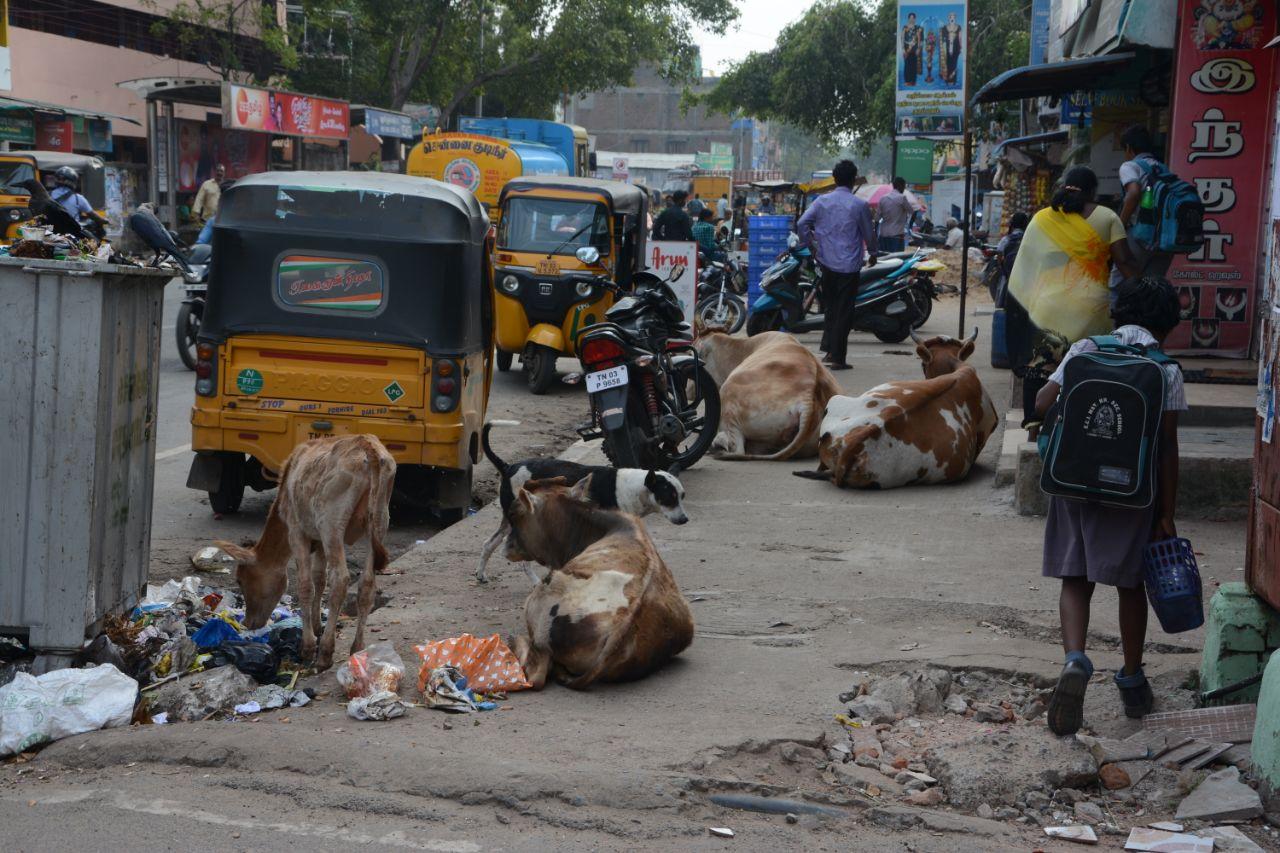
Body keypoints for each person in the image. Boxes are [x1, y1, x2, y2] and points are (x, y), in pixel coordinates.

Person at [1034, 276, 1185, 736]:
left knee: (1075, 577)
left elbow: (1042, 404)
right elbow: (1167, 448)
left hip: (1072, 483)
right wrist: (1165, 513)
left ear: (1118, 313)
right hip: (1132, 493)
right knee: (1129, 585)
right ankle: (1132, 678)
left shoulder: (1083, 350)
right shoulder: (1166, 371)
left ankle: (1075, 658)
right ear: (1168, 325)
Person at [1006, 166, 1138, 424]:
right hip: (1090, 311)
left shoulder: (1042, 218)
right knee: (1087, 367)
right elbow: (1124, 262)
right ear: (1093, 191)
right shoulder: (1108, 217)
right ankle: (1080, 423)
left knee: (1041, 368)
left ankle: (1035, 427)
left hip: (1048, 309)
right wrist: (1145, 287)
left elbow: (1027, 265)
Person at [796, 159, 876, 371]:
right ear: (852, 180)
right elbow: (869, 233)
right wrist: (874, 253)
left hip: (826, 263)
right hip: (849, 266)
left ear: (835, 178)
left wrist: (810, 245)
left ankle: (830, 351)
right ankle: (838, 357)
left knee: (830, 308)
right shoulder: (859, 205)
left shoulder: (822, 202)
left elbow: (802, 223)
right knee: (844, 311)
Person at [1114, 125, 1174, 288]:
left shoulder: (1130, 166)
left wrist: (1119, 226)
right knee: (1151, 289)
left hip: (1141, 236)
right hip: (1165, 239)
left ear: (1128, 148)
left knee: (1116, 285)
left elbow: (1133, 193)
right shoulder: (1163, 168)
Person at [49, 166, 107, 231]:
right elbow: (93, 215)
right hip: (71, 232)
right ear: (73, 181)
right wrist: (105, 221)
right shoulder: (78, 198)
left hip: (51, 232)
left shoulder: (48, 195)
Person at [877, 177, 914, 253]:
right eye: (904, 186)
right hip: (896, 235)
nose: (904, 189)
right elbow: (911, 211)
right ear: (900, 186)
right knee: (896, 259)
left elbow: (877, 218)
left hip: (883, 235)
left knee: (884, 259)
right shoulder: (902, 198)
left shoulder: (883, 198)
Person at [942, 12, 963, 85]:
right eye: (950, 16)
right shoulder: (945, 27)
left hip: (956, 48)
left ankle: (953, 80)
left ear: (955, 18)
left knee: (954, 64)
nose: (952, 18)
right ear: (948, 18)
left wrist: (961, 47)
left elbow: (960, 38)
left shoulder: (959, 27)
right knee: (948, 64)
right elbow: (943, 39)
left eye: (953, 16)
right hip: (947, 49)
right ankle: (947, 80)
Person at [902, 12, 922, 87]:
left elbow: (919, 39)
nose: (911, 19)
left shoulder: (917, 28)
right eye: (910, 18)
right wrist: (903, 49)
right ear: (908, 19)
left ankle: (913, 81)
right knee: (907, 65)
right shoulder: (905, 27)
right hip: (907, 50)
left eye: (913, 18)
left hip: (914, 50)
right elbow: (902, 38)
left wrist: (918, 49)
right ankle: (907, 81)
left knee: (914, 66)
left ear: (915, 19)